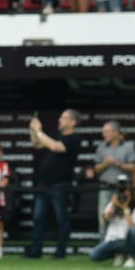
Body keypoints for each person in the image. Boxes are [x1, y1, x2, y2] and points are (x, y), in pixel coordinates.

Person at [27, 110, 84, 259]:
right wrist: (33, 131)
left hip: (60, 184)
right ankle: (35, 250)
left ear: (73, 122)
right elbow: (37, 144)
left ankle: (60, 251)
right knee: (38, 217)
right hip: (44, 183)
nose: (60, 120)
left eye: (64, 118)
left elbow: (55, 147)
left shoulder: (75, 139)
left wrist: (39, 131)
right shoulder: (56, 134)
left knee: (61, 218)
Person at [86, 121, 135, 236]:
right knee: (104, 216)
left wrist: (118, 164)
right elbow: (96, 169)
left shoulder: (128, 147)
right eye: (103, 132)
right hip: (105, 187)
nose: (104, 134)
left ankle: (122, 246)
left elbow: (134, 166)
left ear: (116, 133)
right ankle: (103, 246)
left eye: (107, 132)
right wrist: (105, 163)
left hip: (122, 189)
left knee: (122, 217)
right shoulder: (101, 147)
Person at [89, 175, 135, 268]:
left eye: (126, 192)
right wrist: (113, 204)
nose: (124, 195)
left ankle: (130, 258)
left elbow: (132, 226)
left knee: (134, 231)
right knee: (94, 255)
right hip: (112, 241)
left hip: (126, 240)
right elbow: (105, 219)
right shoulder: (113, 204)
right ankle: (117, 255)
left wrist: (125, 208)